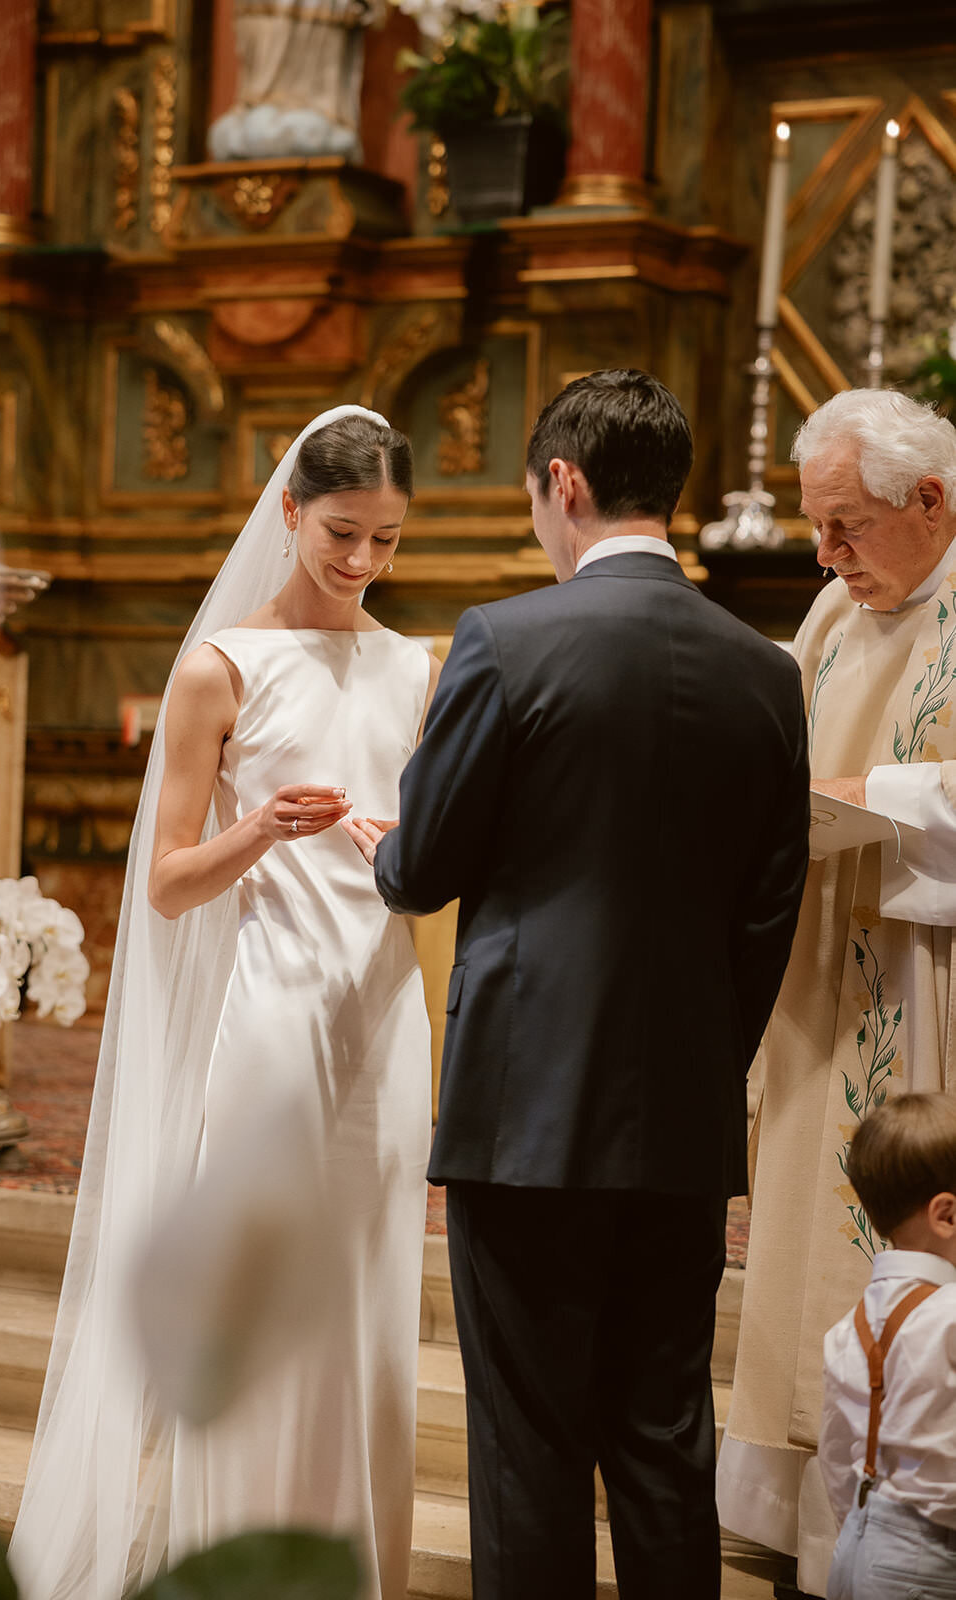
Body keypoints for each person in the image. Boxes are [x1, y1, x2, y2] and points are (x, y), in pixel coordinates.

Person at [343, 369, 810, 1600]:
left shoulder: (507, 638)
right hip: (683, 1122)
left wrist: (382, 846)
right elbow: (770, 907)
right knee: (663, 1436)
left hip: (522, 1120)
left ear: (562, 483)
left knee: (529, 1445)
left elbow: (425, 867)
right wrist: (707, 1060)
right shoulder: (765, 671)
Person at [8, 407, 440, 1600]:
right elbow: (162, 884)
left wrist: (411, 837)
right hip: (271, 1014)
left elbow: (439, 846)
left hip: (383, 1011)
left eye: (386, 542)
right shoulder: (220, 666)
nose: (359, 563)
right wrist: (262, 828)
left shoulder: (418, 667)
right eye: (341, 533)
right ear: (290, 511)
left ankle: (358, 1573)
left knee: (368, 1297)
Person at [716, 389, 956, 1599]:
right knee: (804, 1225)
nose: (825, 554)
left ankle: (906, 1501)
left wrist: (888, 796)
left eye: (847, 525)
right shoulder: (826, 610)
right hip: (818, 970)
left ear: (931, 501)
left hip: (928, 978)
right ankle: (795, 1496)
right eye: (816, 526)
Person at [819, 1094, 956, 1600]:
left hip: (860, 1545)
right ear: (947, 1215)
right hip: (935, 1557)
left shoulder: (847, 1328)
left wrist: (864, 1533)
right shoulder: (950, 1315)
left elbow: (836, 1456)